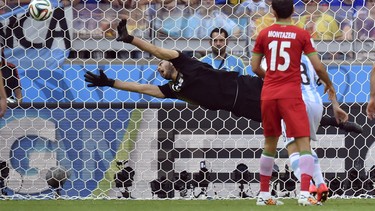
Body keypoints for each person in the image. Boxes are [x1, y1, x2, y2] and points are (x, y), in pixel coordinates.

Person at [250, 0, 347, 206]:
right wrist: (329, 84)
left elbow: (254, 67)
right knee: (304, 143)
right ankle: (305, 194)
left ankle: (264, 194)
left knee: (269, 144)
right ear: (294, 11)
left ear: (273, 11)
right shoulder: (301, 35)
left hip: (269, 94)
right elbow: (318, 67)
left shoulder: (264, 34)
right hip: (292, 95)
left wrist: (272, 79)